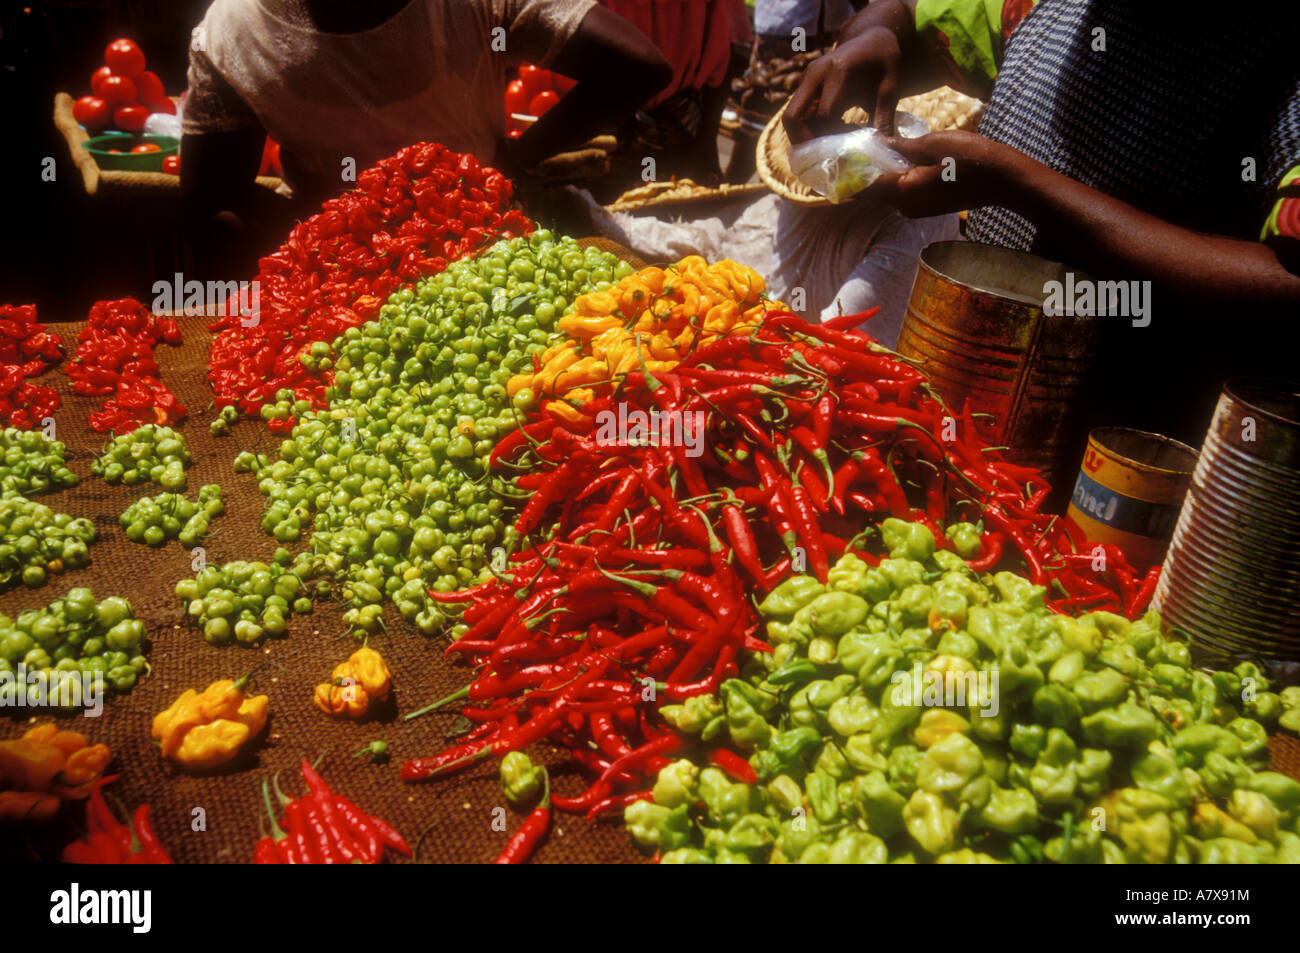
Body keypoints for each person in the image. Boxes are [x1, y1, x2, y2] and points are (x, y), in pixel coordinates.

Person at [785, 0, 1300, 443]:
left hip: (1126, 443)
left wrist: (1017, 185)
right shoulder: (1057, 11)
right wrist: (874, 37)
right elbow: (906, 14)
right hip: (964, 394)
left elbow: (1286, 282)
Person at [180, 0, 670, 273]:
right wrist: (519, 159)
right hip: (476, 260)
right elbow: (638, 68)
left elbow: (210, 202)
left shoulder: (230, 27)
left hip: (347, 271)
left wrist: (318, 232)